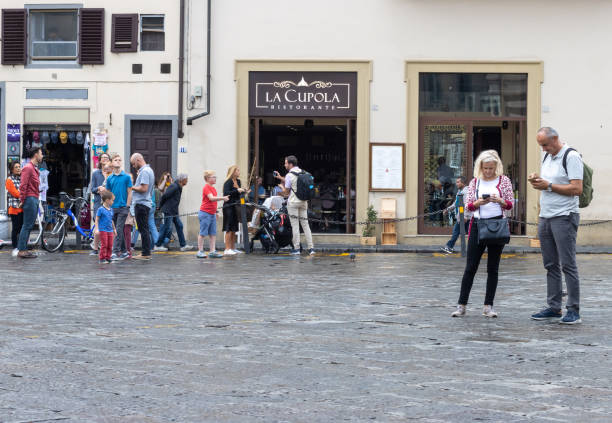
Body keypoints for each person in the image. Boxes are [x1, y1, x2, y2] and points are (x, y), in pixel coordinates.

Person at [529, 127, 584, 325]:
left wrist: (549, 186)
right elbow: (548, 183)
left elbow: (577, 188)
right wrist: (539, 181)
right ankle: (554, 307)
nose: (543, 149)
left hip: (564, 216)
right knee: (550, 264)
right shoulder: (548, 157)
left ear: (555, 139)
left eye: (545, 144)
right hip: (546, 216)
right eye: (540, 145)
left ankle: (573, 310)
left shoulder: (571, 156)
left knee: (568, 264)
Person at [451, 150, 514, 318]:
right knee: (470, 267)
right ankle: (461, 305)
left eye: (491, 168)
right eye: (485, 168)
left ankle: (488, 306)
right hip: (478, 225)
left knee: (493, 268)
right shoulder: (474, 183)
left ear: (496, 167)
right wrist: (478, 203)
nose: (488, 171)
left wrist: (500, 200)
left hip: (497, 225)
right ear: (480, 167)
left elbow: (510, 204)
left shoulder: (504, 181)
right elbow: (468, 206)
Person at [274, 155, 315, 255]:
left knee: (295, 226)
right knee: (305, 225)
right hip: (303, 202)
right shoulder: (302, 172)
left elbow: (287, 192)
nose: (284, 165)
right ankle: (311, 248)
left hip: (293, 203)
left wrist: (280, 190)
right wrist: (280, 178)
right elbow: (294, 182)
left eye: (286, 163)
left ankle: (296, 249)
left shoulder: (289, 175)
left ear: (290, 164)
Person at [154, 173, 194, 252]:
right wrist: (159, 206)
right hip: (168, 211)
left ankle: (183, 245)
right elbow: (164, 196)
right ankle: (158, 245)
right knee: (167, 227)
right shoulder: (174, 186)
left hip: (174, 211)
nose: (187, 181)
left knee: (179, 226)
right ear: (182, 180)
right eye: (186, 179)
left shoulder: (178, 186)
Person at [104, 153, 132, 261]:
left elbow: (130, 192)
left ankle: (115, 252)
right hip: (112, 207)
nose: (118, 161)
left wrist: (127, 205)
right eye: (116, 160)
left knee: (119, 229)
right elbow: (108, 193)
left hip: (123, 208)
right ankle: (124, 252)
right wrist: (107, 205)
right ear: (112, 162)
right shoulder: (110, 178)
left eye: (120, 160)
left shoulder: (126, 177)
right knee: (116, 229)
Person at [17, 147, 43, 258]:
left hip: (34, 198)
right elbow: (23, 185)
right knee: (27, 225)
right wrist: (22, 200)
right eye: (41, 153)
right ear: (36, 155)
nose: (42, 156)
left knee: (29, 225)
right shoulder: (28, 168)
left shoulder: (34, 168)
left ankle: (24, 249)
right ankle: (22, 250)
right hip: (30, 199)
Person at [197, 170, 228, 258]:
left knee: (212, 233)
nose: (215, 178)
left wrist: (216, 212)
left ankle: (212, 251)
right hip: (205, 213)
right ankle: (200, 251)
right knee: (202, 233)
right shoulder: (206, 187)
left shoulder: (213, 188)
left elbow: (213, 202)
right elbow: (211, 198)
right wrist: (223, 198)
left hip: (211, 214)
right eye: (213, 177)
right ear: (207, 178)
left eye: (215, 177)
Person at [130, 153, 155, 260]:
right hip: (145, 203)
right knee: (145, 228)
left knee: (143, 229)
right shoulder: (148, 170)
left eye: (133, 163)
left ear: (138, 160)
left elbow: (144, 188)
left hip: (141, 204)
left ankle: (145, 253)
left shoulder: (144, 171)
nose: (133, 166)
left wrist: (132, 187)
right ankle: (146, 252)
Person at [441, 176, 472, 253]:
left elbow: (467, 205)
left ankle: (449, 246)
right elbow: (456, 203)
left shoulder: (466, 192)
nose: (456, 183)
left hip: (465, 217)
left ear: (463, 183)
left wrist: (465, 216)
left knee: (457, 232)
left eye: (458, 182)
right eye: (456, 182)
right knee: (460, 232)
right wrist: (447, 210)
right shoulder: (459, 192)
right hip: (461, 216)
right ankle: (449, 246)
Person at [88, 152, 111, 255]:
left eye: (107, 157)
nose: (105, 159)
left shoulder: (112, 173)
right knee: (98, 224)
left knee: (107, 225)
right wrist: (98, 188)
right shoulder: (96, 173)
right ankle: (95, 248)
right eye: (103, 157)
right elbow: (92, 189)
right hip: (98, 202)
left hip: (108, 203)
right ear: (100, 160)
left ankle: (103, 247)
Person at [222, 165, 248, 255]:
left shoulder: (238, 181)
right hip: (228, 206)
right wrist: (237, 191)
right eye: (237, 170)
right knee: (228, 227)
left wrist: (244, 192)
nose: (239, 172)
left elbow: (238, 194)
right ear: (233, 172)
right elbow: (226, 193)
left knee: (234, 228)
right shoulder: (228, 182)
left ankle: (233, 248)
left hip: (236, 207)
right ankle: (227, 248)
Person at [6, 162, 23, 255]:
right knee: (16, 229)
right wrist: (24, 195)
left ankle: (21, 247)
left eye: (19, 167)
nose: (18, 168)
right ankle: (15, 247)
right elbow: (16, 193)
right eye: (16, 167)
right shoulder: (9, 180)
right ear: (12, 169)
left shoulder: (22, 178)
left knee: (21, 229)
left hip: (23, 208)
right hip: (14, 209)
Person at [95, 190, 117, 264]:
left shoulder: (111, 210)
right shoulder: (100, 209)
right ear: (107, 200)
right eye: (112, 200)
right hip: (103, 230)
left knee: (110, 245)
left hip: (110, 230)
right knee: (104, 245)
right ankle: (102, 258)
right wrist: (97, 229)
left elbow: (111, 220)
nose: (113, 202)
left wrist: (114, 229)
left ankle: (108, 257)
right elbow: (97, 219)